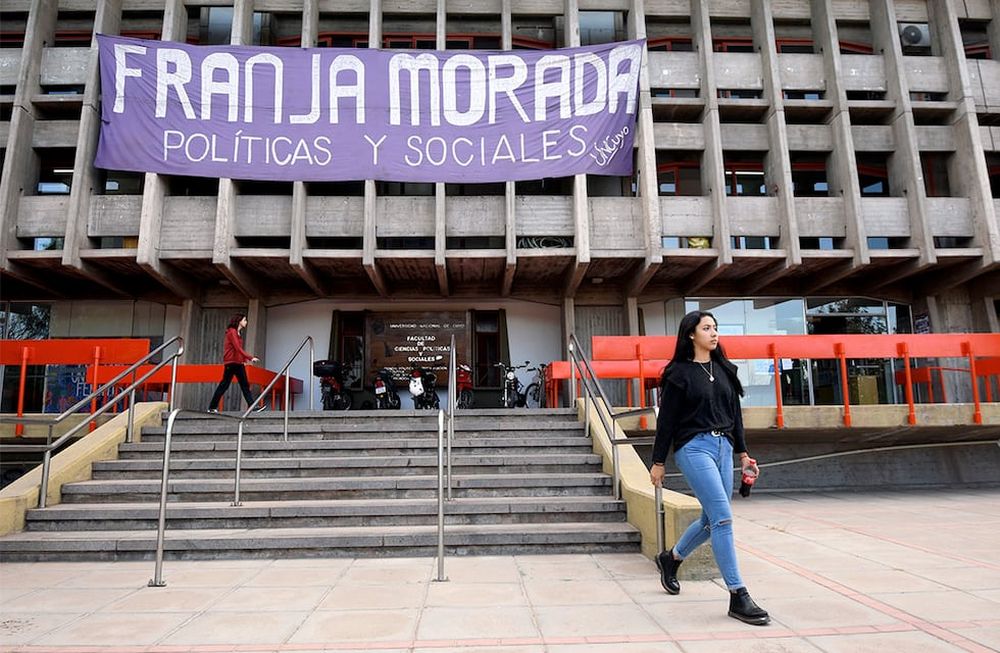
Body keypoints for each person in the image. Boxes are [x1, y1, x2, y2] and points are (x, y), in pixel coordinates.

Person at [649, 310, 770, 626]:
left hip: (724, 448)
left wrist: (743, 454)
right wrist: (658, 461)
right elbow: (667, 422)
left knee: (709, 519)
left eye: (716, 328)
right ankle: (737, 594)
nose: (714, 333)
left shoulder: (725, 370)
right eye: (707, 328)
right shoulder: (678, 374)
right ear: (691, 334)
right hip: (694, 448)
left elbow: (736, 416)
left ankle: (671, 558)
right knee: (723, 518)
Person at [207, 314, 265, 413]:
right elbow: (237, 348)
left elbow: (238, 350)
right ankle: (212, 407)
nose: (246, 322)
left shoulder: (237, 332)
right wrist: (250, 358)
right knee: (224, 385)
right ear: (239, 321)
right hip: (231, 363)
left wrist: (243, 361)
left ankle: (252, 406)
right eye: (244, 320)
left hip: (237, 363)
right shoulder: (232, 332)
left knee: (244, 385)